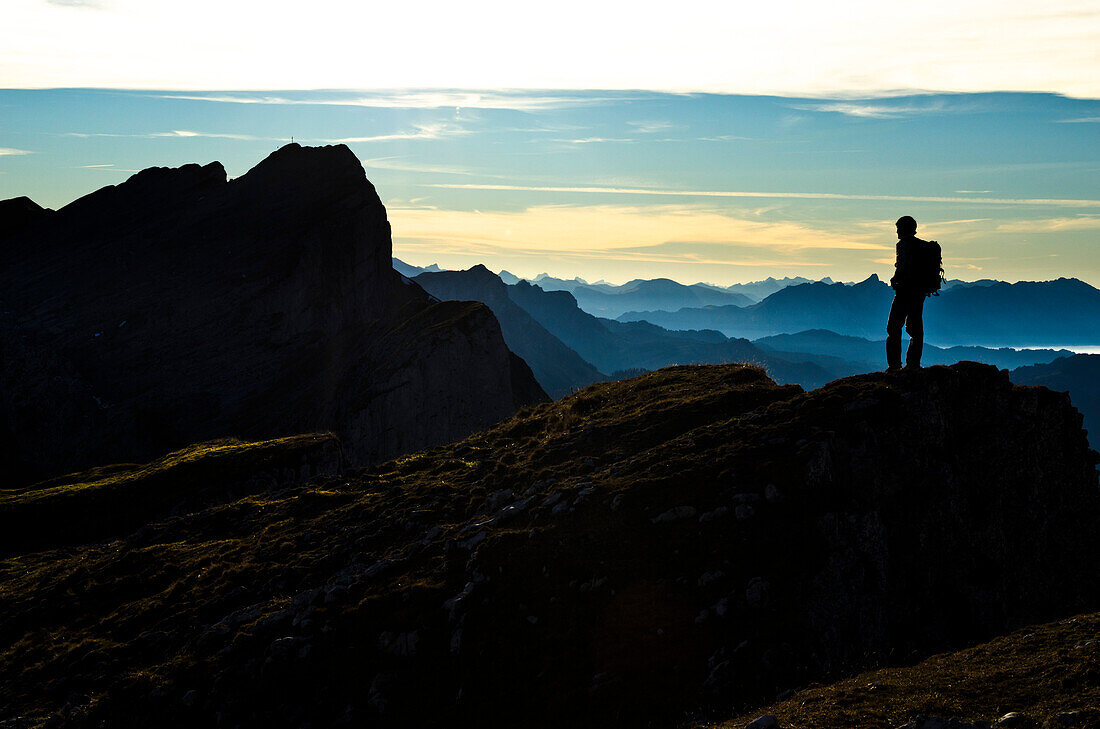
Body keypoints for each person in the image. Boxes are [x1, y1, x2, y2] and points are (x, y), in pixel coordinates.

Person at [886, 215, 938, 371]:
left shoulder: (903, 245)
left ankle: (895, 366)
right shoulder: (923, 247)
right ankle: (913, 364)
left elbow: (901, 267)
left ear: (903, 229)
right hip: (919, 293)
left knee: (894, 328)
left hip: (904, 292)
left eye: (898, 229)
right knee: (915, 329)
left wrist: (895, 280)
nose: (897, 233)